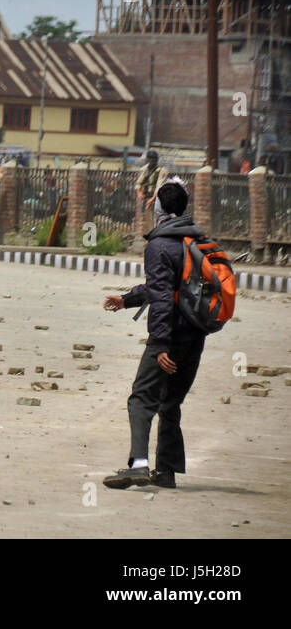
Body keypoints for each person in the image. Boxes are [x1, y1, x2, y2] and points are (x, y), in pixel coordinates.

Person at [101, 181, 209, 490]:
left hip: (170, 336)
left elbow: (162, 298)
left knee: (141, 399)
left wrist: (160, 344)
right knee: (170, 401)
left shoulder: (160, 245)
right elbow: (173, 288)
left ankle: (138, 465)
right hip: (195, 335)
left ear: (159, 211)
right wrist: (129, 299)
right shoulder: (196, 241)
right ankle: (167, 472)